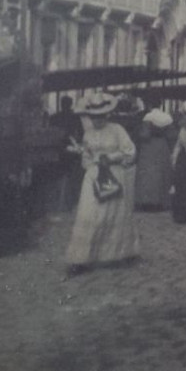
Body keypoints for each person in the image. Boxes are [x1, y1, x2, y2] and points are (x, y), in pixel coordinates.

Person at [63, 91, 138, 274]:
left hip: (114, 174)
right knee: (89, 213)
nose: (97, 120)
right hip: (94, 176)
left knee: (112, 214)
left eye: (100, 116)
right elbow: (87, 156)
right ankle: (82, 258)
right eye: (93, 117)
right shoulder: (88, 133)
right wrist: (88, 161)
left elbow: (130, 151)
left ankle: (116, 254)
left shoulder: (117, 130)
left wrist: (110, 157)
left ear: (107, 115)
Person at [49, 95, 85, 212]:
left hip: (58, 149)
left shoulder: (54, 118)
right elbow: (81, 133)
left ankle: (60, 203)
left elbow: (50, 133)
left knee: (60, 177)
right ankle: (68, 203)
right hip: (70, 150)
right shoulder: (75, 117)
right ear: (70, 104)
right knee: (71, 177)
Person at [134, 108, 174, 211]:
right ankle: (161, 201)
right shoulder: (167, 117)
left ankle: (148, 202)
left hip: (149, 146)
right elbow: (171, 135)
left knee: (148, 174)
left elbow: (145, 135)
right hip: (163, 145)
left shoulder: (148, 117)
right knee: (162, 172)